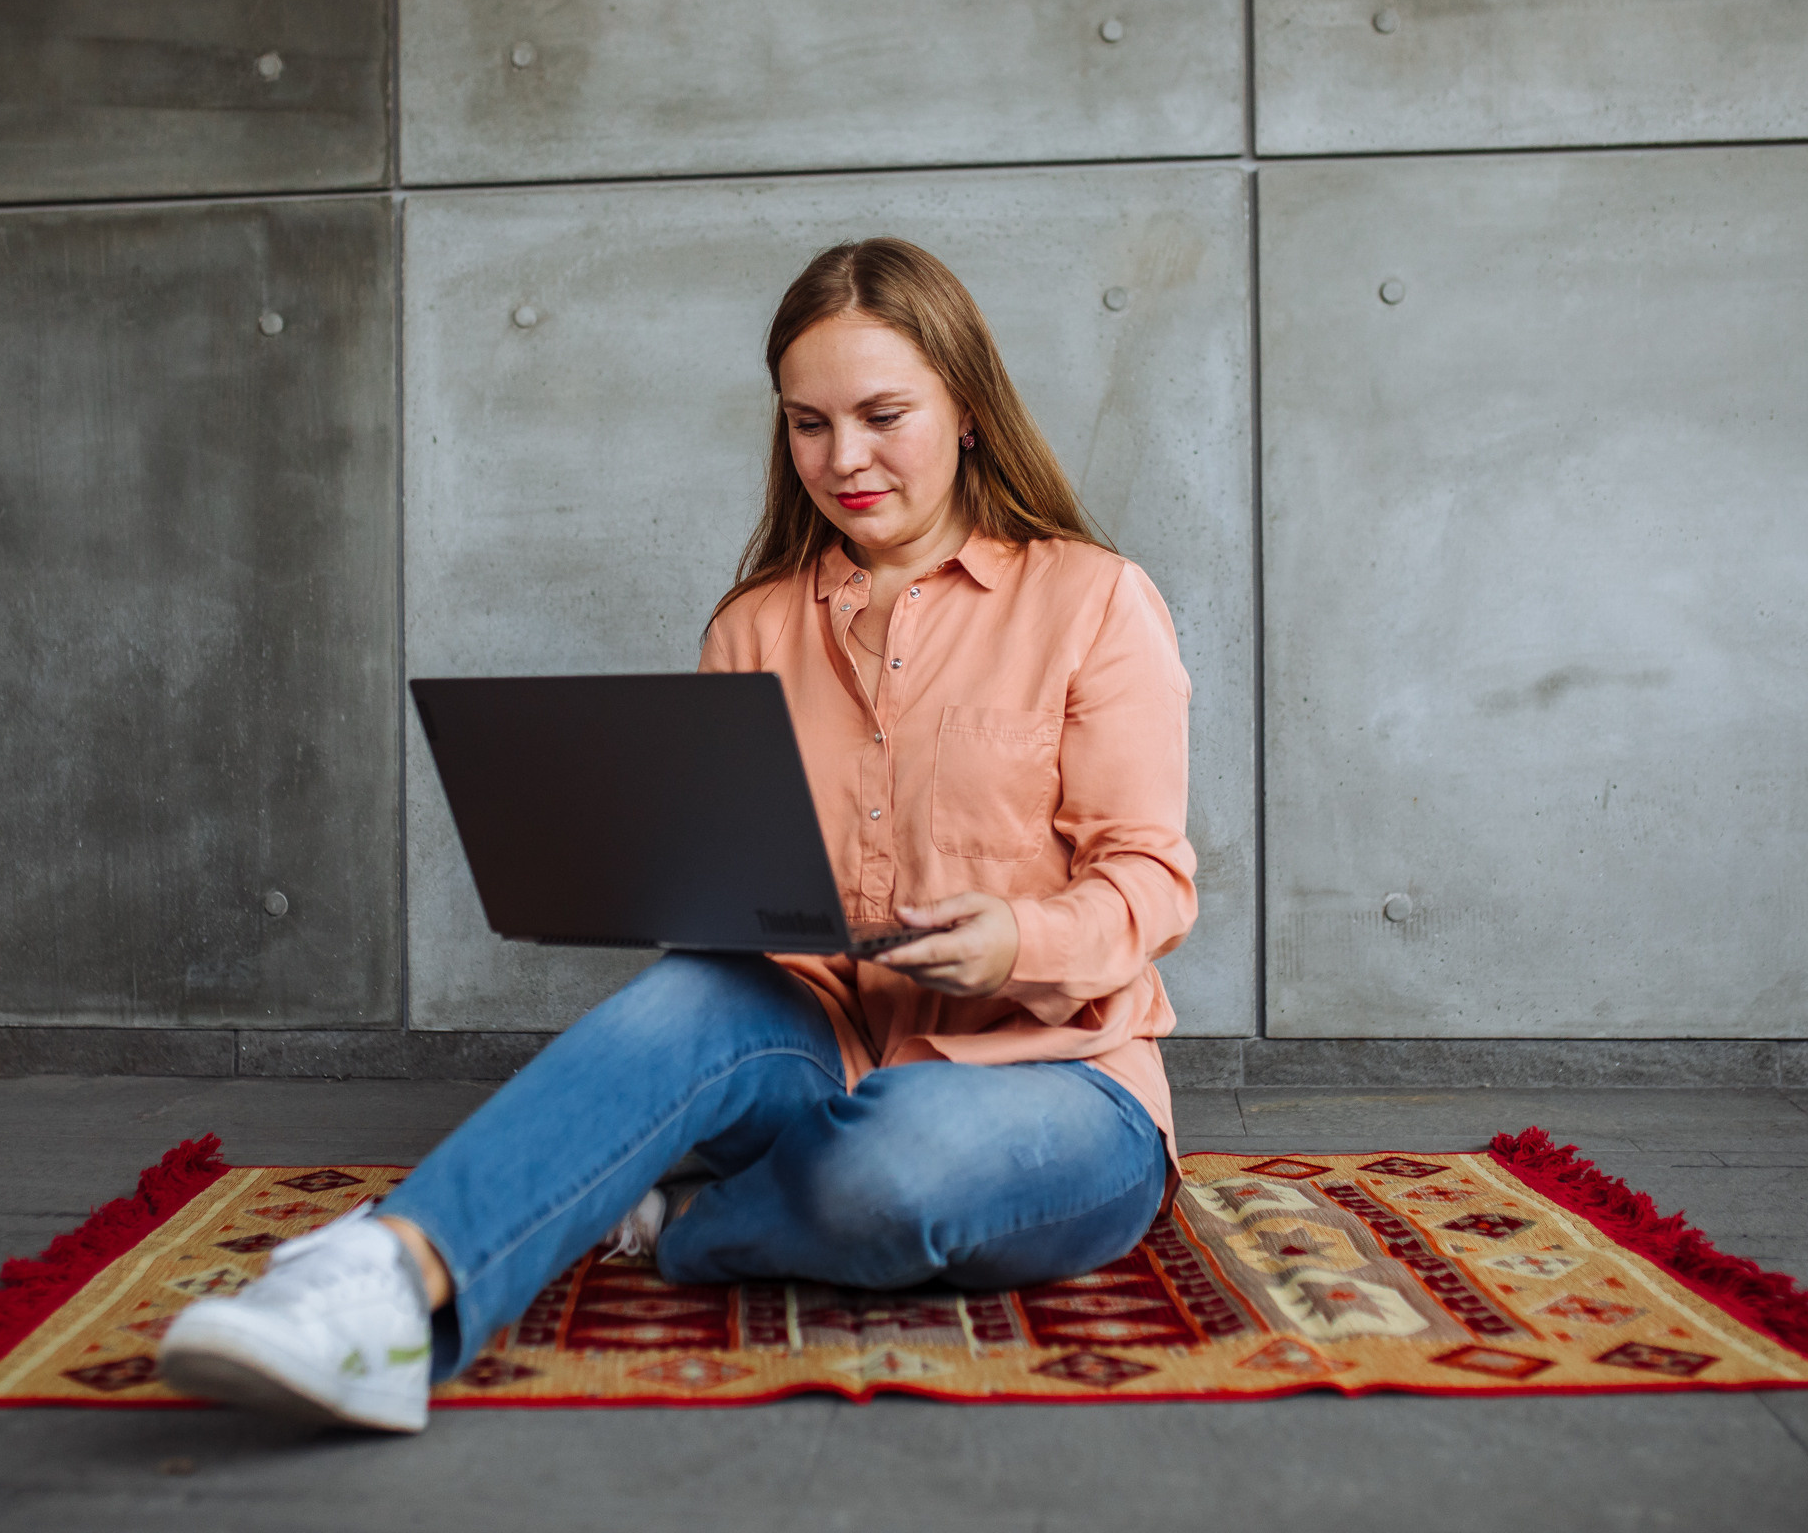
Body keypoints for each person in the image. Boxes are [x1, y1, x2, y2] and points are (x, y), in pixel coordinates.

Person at [159, 237, 1198, 1432]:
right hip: (813, 1037)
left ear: (967, 409)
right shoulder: (754, 626)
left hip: (1056, 1076)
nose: (843, 458)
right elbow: (727, 885)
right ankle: (391, 1286)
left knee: (893, 1170)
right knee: (686, 992)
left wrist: (1018, 934)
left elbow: (1151, 882)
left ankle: (680, 1212)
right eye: (808, 424)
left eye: (881, 415)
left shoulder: (1094, 597)